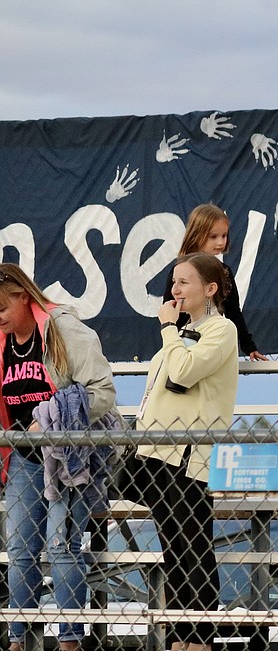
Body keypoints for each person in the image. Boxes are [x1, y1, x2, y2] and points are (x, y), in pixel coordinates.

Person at [0, 263, 118, 651]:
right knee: (19, 549)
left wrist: (53, 418)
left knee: (60, 544)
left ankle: (70, 642)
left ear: (22, 296)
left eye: (1, 309)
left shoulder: (61, 328)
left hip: (69, 456)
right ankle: (18, 639)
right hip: (23, 456)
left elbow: (102, 390)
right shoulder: (0, 340)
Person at [134, 252, 239, 651]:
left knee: (193, 546)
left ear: (209, 289)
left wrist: (167, 329)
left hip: (188, 456)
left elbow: (183, 372)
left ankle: (199, 636)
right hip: (158, 452)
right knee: (172, 550)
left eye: (184, 282)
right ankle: (180, 634)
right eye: (173, 282)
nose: (175, 290)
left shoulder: (221, 330)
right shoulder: (180, 333)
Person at [164, 203, 268, 360]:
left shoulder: (223, 272)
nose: (220, 242)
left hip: (211, 341)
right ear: (196, 235)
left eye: (224, 236)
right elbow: (170, 306)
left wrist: (248, 346)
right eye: (213, 237)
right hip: (181, 343)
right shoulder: (179, 270)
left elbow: (233, 311)